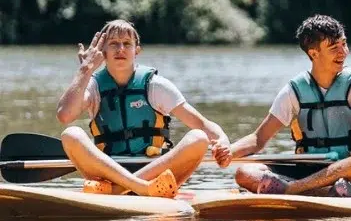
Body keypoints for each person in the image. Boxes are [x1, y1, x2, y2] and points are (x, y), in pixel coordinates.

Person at [229, 14, 351, 196]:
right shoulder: (294, 90)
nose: (343, 52)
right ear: (314, 53)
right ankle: (326, 192)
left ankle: (293, 189)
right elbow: (259, 138)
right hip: (308, 170)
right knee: (245, 172)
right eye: (334, 48)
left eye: (344, 44)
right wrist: (227, 151)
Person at [55, 19, 231, 197]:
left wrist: (222, 139)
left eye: (127, 44)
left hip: (157, 177)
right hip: (107, 176)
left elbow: (202, 125)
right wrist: (85, 69)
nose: (120, 49)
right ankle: (139, 187)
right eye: (114, 43)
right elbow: (65, 115)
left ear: (136, 50)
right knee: (71, 134)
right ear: (102, 51)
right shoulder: (92, 86)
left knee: (199, 138)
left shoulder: (156, 86)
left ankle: (119, 191)